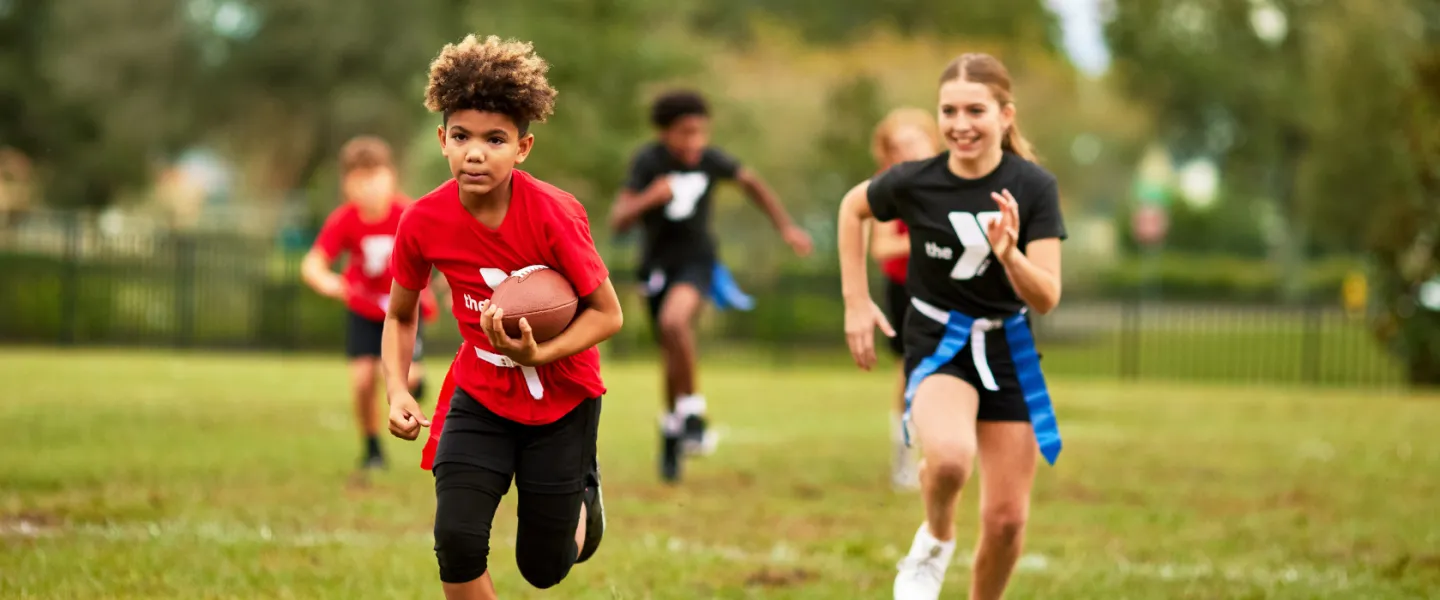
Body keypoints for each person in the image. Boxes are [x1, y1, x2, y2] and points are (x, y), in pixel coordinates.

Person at [379, 34, 624, 600]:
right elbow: (400, 315)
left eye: (495, 139)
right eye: (461, 136)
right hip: (481, 393)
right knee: (457, 542)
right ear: (442, 140)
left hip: (562, 394)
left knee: (545, 568)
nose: (475, 152)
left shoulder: (556, 214)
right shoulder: (421, 220)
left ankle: (585, 497)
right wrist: (397, 388)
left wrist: (538, 353)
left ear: (523, 147)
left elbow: (608, 315)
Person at [836, 53, 1066, 600]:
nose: (961, 124)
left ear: (1005, 115)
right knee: (950, 460)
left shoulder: (1033, 187)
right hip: (939, 340)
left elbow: (1048, 297)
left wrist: (1010, 256)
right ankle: (935, 539)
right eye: (949, 110)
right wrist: (856, 302)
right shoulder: (916, 181)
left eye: (975, 110)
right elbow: (851, 208)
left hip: (1008, 346)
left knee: (1008, 521)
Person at [609, 89, 814, 483]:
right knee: (672, 352)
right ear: (665, 133)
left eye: (701, 133)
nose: (694, 142)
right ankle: (674, 430)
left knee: (675, 324)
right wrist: (650, 197)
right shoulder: (648, 162)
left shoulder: (711, 160)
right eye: (685, 133)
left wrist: (786, 226)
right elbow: (619, 219)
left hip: (698, 263)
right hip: (655, 269)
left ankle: (694, 414)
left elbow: (752, 183)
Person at [301, 135, 442, 472]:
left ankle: (417, 384)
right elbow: (313, 264)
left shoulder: (408, 213)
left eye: (375, 176)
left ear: (391, 176)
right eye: (359, 179)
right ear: (347, 183)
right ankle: (372, 449)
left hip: (406, 310)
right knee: (364, 380)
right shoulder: (345, 220)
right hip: (364, 311)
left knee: (405, 381)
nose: (369, 187)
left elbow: (440, 254)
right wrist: (329, 282)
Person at [868, 107, 943, 492]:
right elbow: (881, 247)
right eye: (899, 147)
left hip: (949, 286)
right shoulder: (888, 189)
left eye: (915, 141)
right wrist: (930, 235)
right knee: (910, 369)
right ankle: (904, 451)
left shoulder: (955, 180)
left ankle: (948, 446)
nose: (909, 152)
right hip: (906, 289)